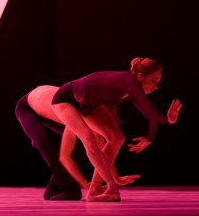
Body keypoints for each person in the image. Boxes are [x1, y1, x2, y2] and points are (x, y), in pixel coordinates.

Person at [51, 57, 182, 202]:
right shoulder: (130, 82)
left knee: (117, 138)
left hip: (87, 102)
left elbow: (147, 113)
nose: (157, 86)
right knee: (89, 139)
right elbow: (151, 113)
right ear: (140, 76)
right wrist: (151, 137)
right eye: (154, 80)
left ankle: (95, 187)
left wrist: (168, 120)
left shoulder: (131, 87)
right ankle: (111, 188)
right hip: (65, 99)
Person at [15, 85, 140, 201]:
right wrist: (85, 184)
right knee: (42, 141)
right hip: (27, 106)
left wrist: (115, 178)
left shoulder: (93, 116)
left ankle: (54, 188)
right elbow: (64, 157)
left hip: (50, 105)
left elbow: (104, 151)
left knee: (87, 143)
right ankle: (68, 188)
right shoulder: (76, 113)